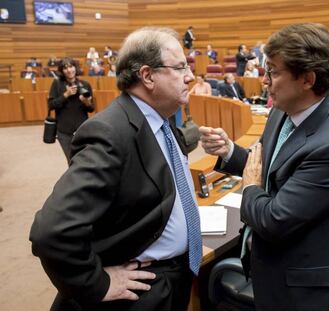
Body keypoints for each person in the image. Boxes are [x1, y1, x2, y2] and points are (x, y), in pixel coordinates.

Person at [30, 26, 202, 311]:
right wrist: (96, 283)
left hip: (174, 277)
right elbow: (52, 231)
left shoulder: (160, 118)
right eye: (180, 66)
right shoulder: (110, 132)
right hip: (143, 290)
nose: (190, 76)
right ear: (147, 76)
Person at [200, 23, 329, 311]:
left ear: (307, 79)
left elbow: (273, 221)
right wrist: (229, 152)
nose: (265, 81)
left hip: (306, 290)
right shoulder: (281, 112)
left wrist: (249, 186)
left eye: (273, 72)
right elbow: (267, 165)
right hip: (272, 269)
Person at [45, 57, 94, 163]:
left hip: (83, 130)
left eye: (71, 66)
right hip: (64, 132)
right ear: (62, 71)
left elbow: (91, 109)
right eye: (65, 68)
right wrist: (66, 95)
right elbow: (51, 105)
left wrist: (86, 102)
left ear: (75, 68)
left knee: (86, 160)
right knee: (72, 161)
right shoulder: (57, 84)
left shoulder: (85, 85)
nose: (69, 70)